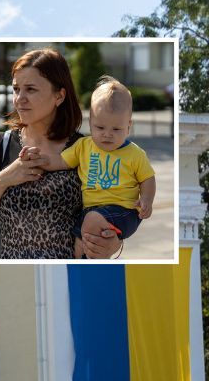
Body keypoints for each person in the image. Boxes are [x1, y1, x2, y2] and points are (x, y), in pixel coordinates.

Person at [0, 49, 119, 259]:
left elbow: (113, 209)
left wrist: (113, 241)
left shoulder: (86, 149)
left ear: (59, 96)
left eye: (30, 89)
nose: (20, 99)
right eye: (16, 89)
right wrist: (5, 178)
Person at [27, 77, 155, 258]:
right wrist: (40, 160)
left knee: (92, 225)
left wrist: (147, 200)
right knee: (79, 244)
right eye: (100, 127)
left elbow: (147, 178)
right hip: (91, 211)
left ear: (129, 126)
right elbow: (61, 161)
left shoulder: (135, 153)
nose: (107, 135)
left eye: (116, 129)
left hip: (123, 211)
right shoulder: (84, 146)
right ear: (91, 122)